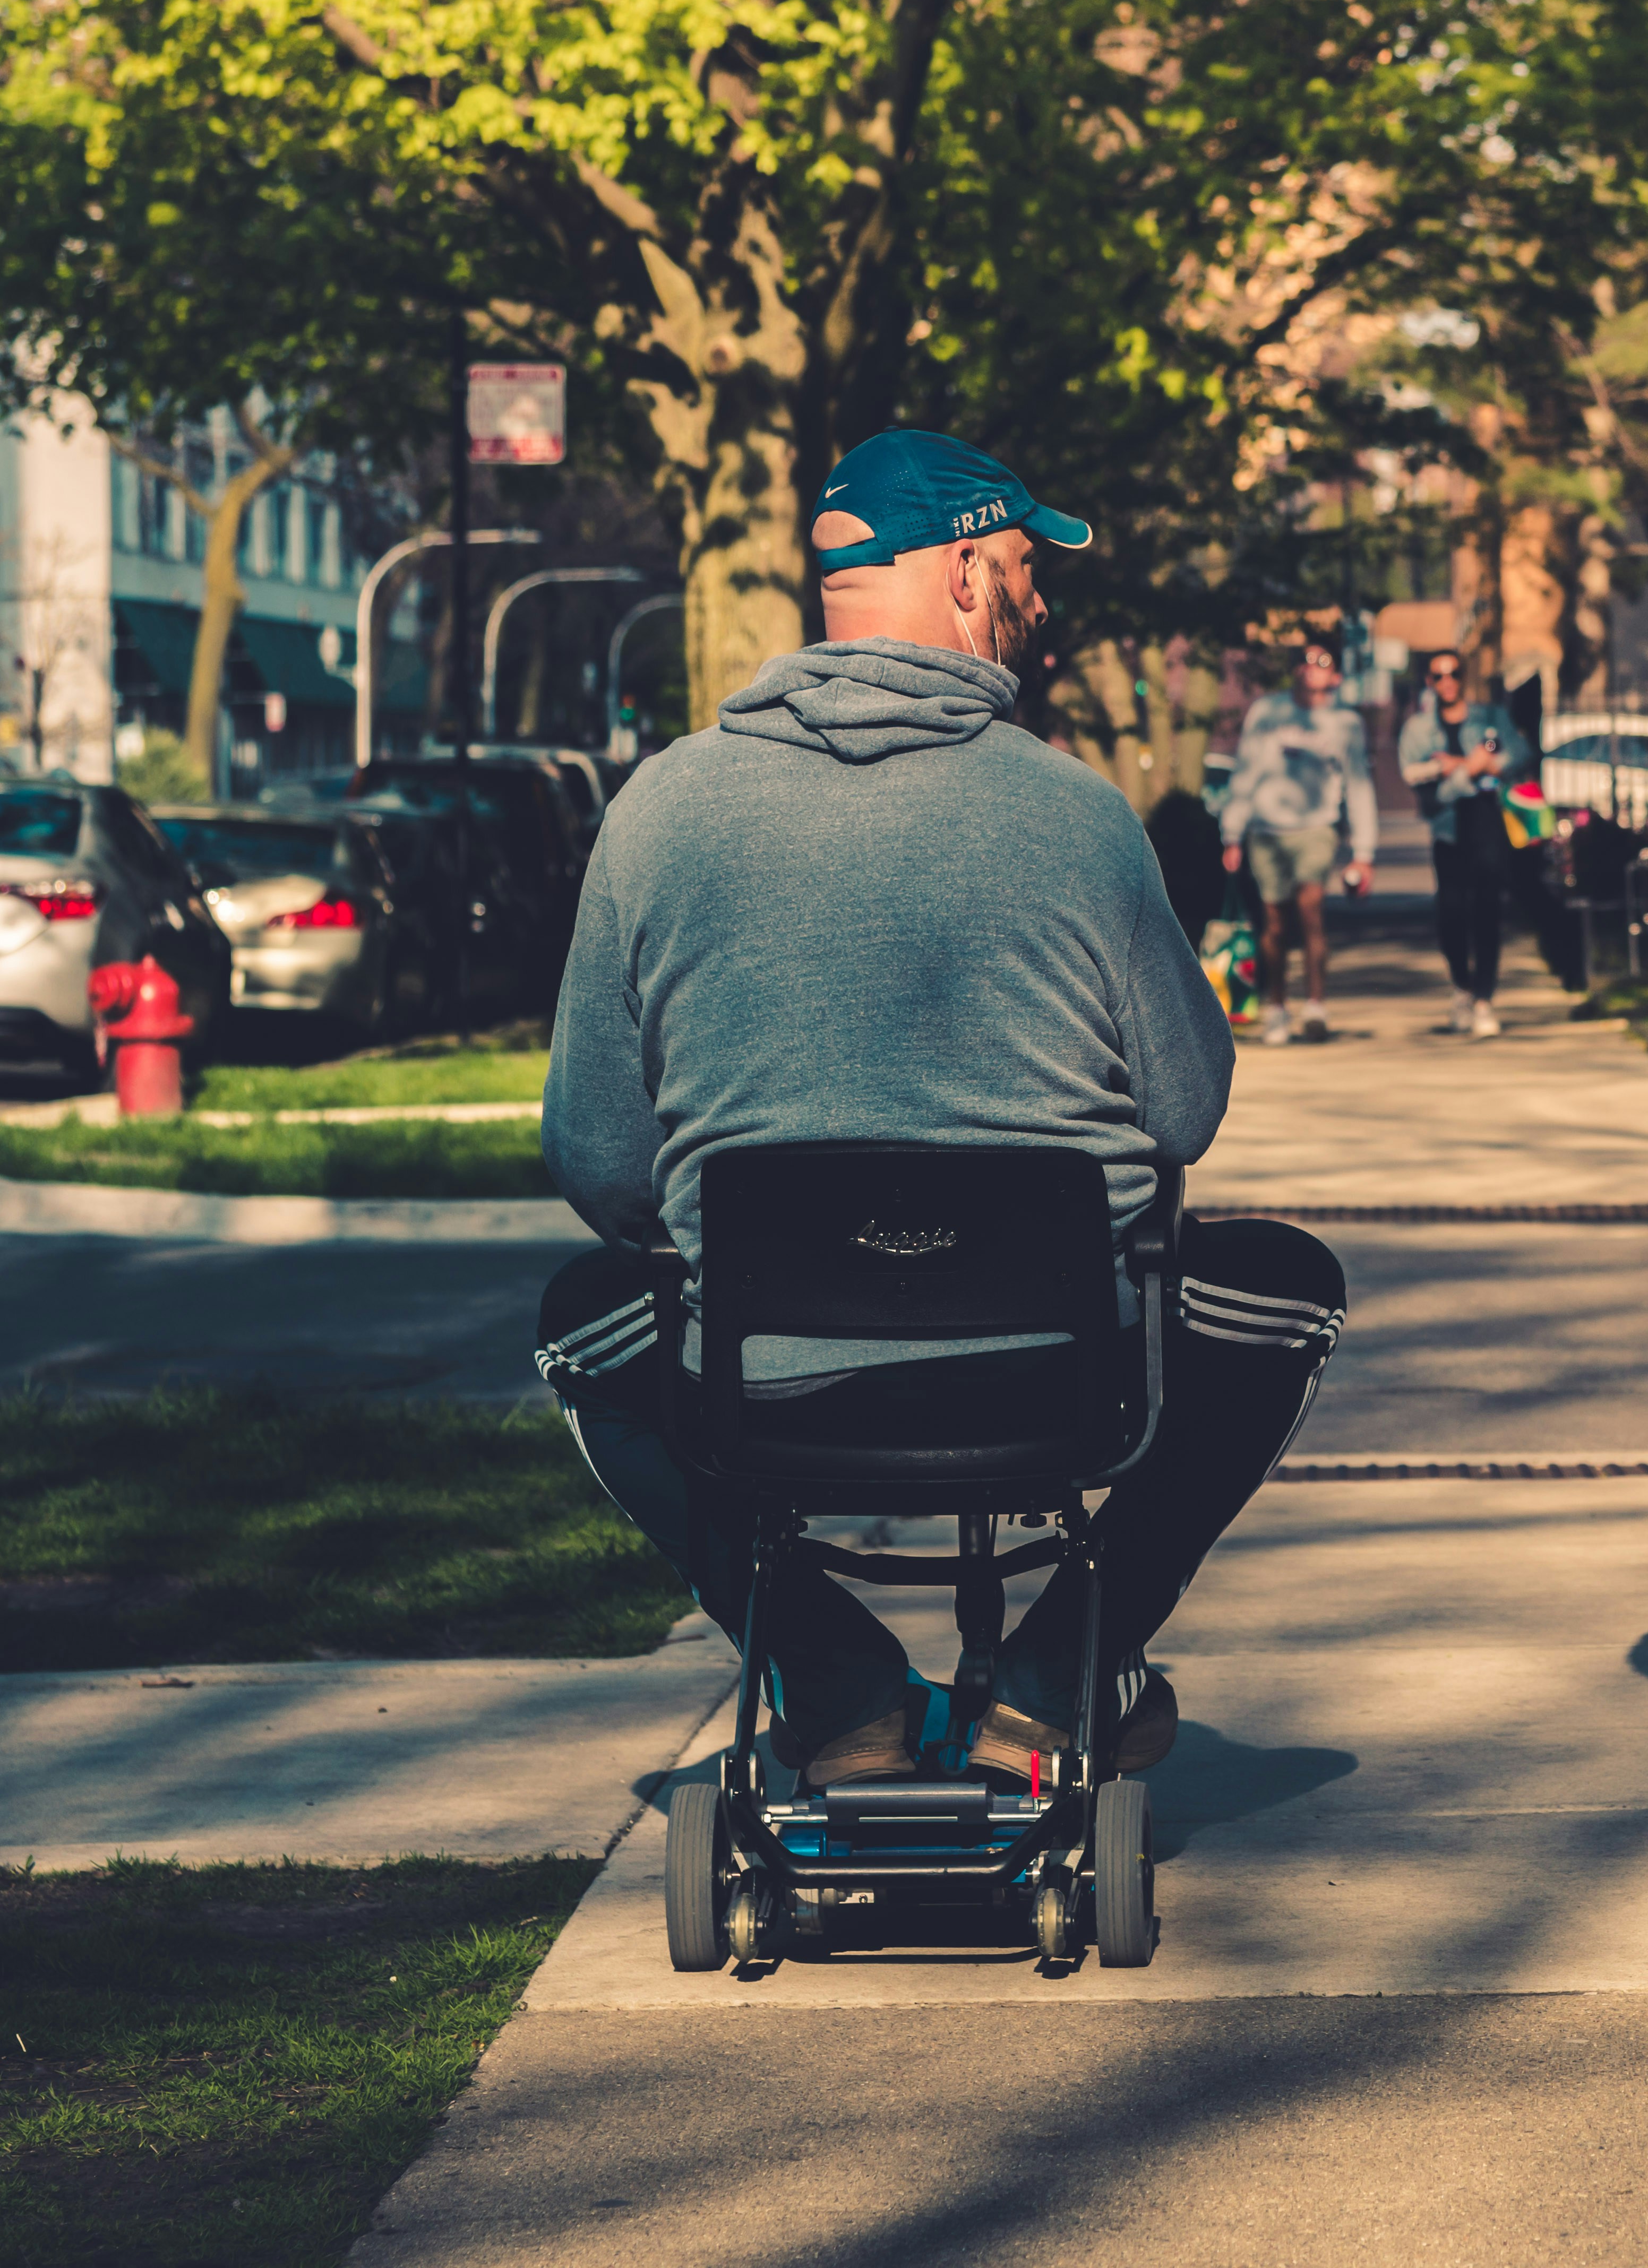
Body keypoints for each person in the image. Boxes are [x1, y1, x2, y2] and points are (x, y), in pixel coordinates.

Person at [536, 428, 1346, 1791]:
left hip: (762, 1381)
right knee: (1286, 1289)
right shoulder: (1079, 816)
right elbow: (1187, 1109)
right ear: (967, 575)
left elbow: (597, 1158)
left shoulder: (657, 808)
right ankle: (1054, 1677)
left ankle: (837, 1681)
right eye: (1028, 569)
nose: (1042, 603)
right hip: (1052, 1374)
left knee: (583, 1326)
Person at [1218, 644, 1377, 1044]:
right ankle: (1277, 1007)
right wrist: (1232, 833)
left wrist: (1364, 852)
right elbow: (1246, 770)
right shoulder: (1267, 712)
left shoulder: (1345, 723)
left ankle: (1316, 1005)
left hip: (1317, 827)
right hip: (1266, 829)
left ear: (1336, 677)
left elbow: (1359, 786)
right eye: (1304, 661)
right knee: (1273, 923)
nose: (1311, 668)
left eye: (1323, 662)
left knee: (1310, 910)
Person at [1393, 648, 1536, 1036]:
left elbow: (1521, 751)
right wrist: (1464, 771)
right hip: (1448, 829)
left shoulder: (1489, 716)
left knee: (1488, 913)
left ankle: (1485, 999)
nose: (1447, 681)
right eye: (1438, 676)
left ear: (1463, 676)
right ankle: (1462, 989)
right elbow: (1421, 785)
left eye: (1453, 673)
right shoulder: (1419, 729)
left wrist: (1471, 765)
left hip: (1489, 826)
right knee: (1452, 914)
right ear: (1429, 682)